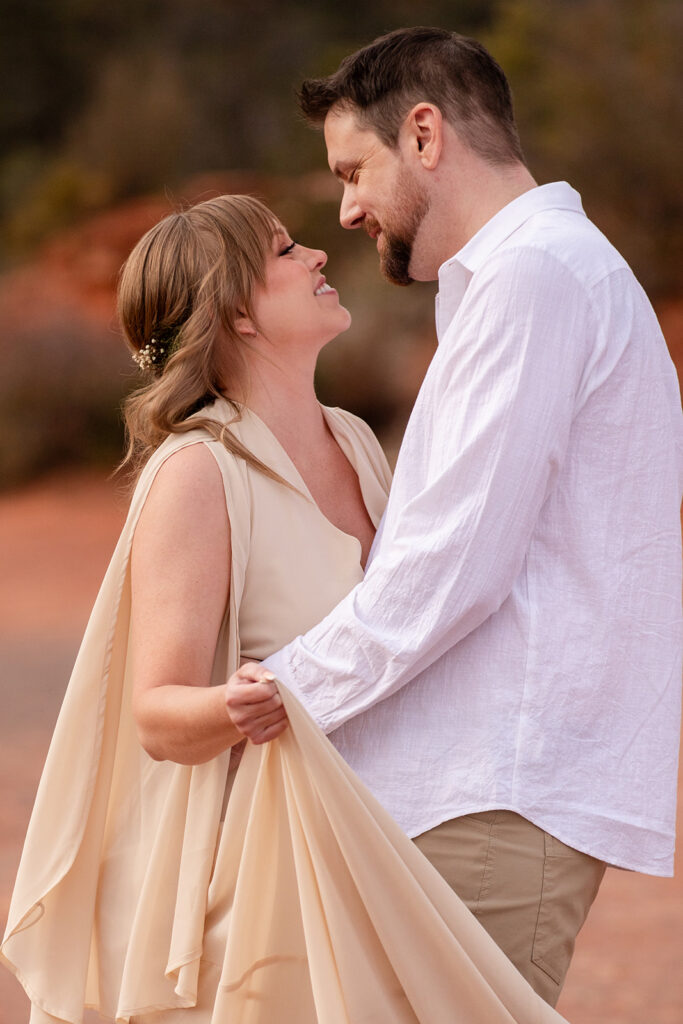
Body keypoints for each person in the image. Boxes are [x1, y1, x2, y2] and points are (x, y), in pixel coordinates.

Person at [1, 194, 568, 1024]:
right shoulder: (198, 473)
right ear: (236, 310)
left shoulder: (355, 440)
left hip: (375, 845)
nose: (317, 256)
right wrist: (237, 705)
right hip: (259, 884)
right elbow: (157, 717)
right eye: (284, 250)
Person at [228, 26, 683, 1007]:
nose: (345, 206)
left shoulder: (535, 280)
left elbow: (452, 562)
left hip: (489, 793)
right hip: (483, 790)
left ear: (424, 135)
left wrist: (287, 688)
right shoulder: (531, 281)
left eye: (353, 169)